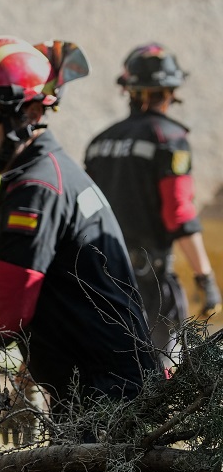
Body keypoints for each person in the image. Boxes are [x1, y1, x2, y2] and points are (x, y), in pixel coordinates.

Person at [0, 37, 157, 414]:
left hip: (107, 403)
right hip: (104, 392)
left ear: (30, 112)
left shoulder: (36, 188)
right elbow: (62, 295)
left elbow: (3, 310)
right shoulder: (48, 173)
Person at [84, 43, 219, 365]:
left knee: (107, 366)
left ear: (128, 90)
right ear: (170, 91)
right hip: (148, 280)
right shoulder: (169, 138)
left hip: (95, 275)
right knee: (160, 372)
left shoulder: (99, 142)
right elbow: (179, 213)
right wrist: (205, 277)